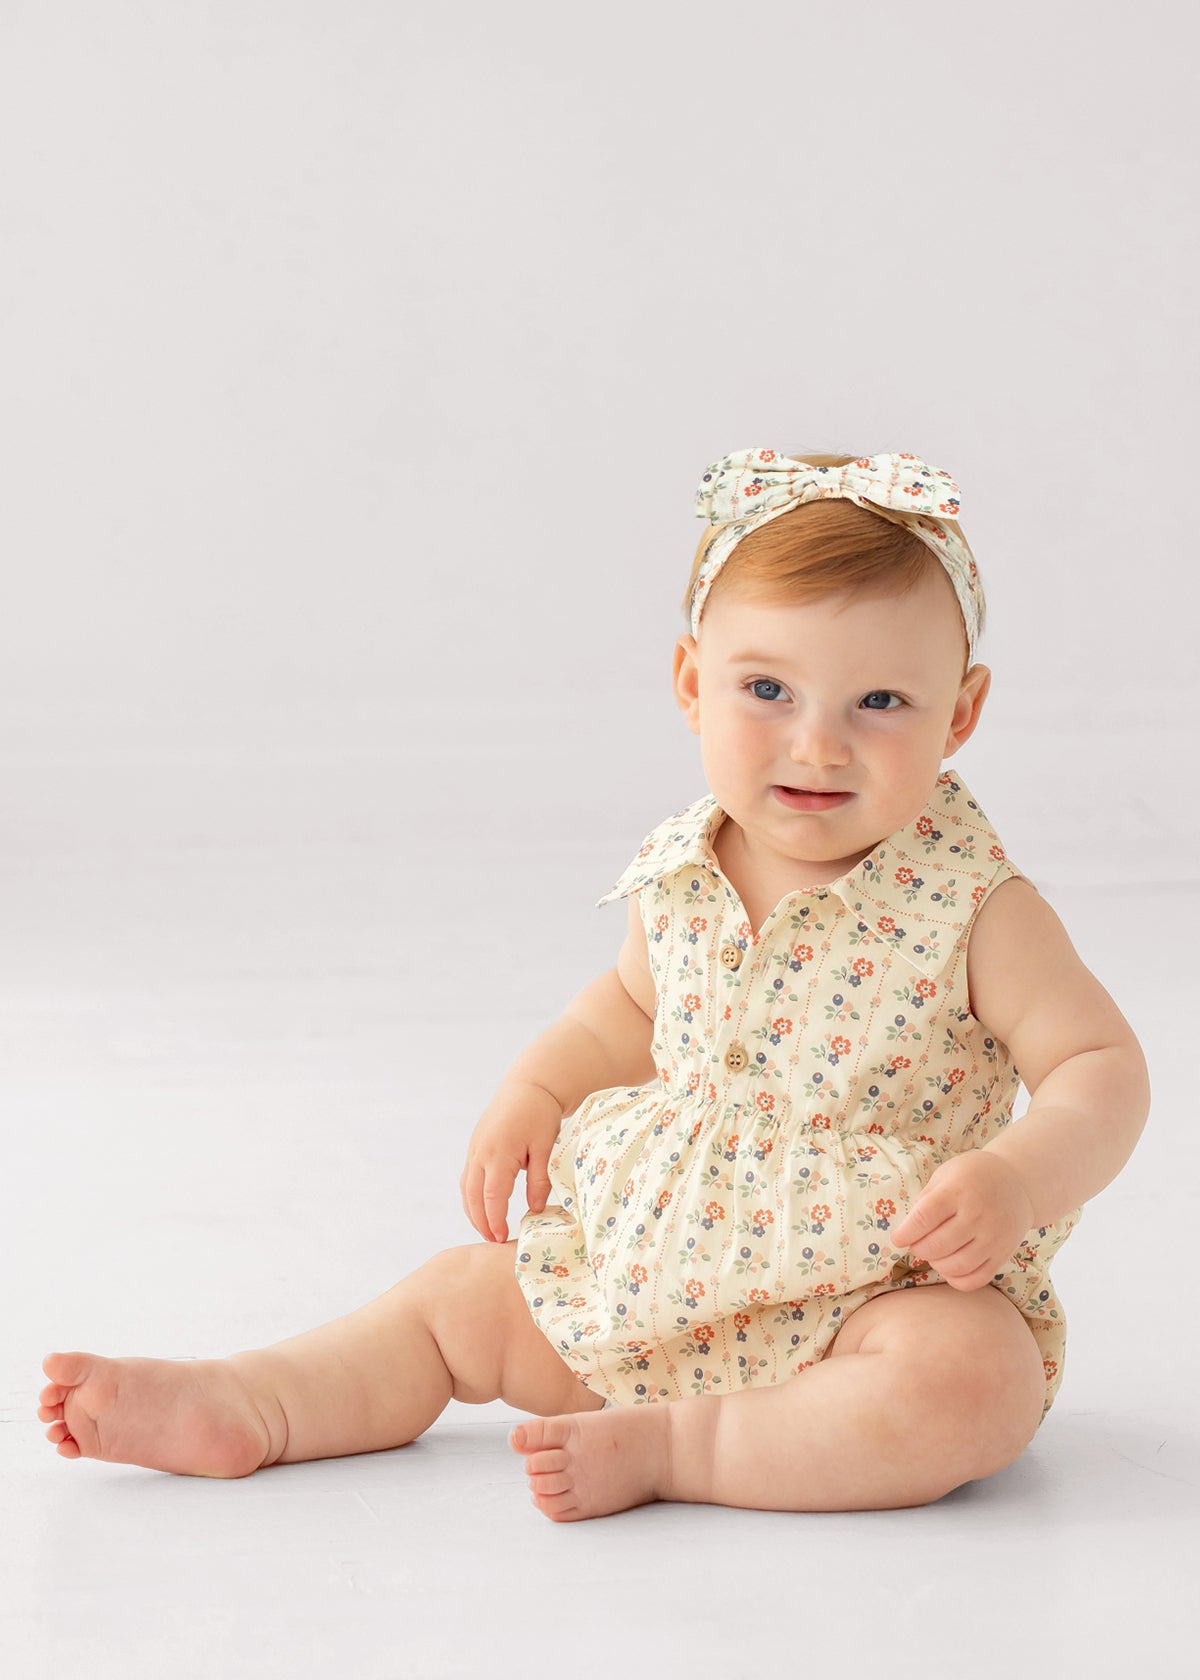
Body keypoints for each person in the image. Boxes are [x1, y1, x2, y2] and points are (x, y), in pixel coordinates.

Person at [39, 447, 1150, 1520]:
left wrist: (1017, 1178)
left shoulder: (973, 905)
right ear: (692, 684)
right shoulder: (684, 870)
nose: (819, 745)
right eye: (769, 689)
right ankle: (255, 1400)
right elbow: (628, 1009)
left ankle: (683, 1447)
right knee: (458, 1299)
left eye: (881, 703)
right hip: (658, 1273)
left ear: (960, 713)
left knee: (972, 1382)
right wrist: (538, 1088)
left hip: (882, 1290)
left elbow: (1100, 1068)